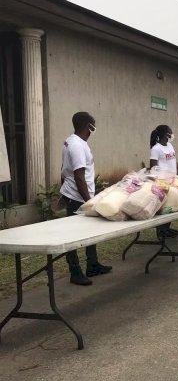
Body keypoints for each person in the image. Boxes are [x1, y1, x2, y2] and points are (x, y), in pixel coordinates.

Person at [60, 112, 112, 286]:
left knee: (91, 231)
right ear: (89, 126)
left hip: (77, 194)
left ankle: (93, 265)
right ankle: (75, 272)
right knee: (73, 236)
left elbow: (63, 170)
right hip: (77, 198)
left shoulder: (74, 142)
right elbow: (78, 176)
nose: (94, 128)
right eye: (94, 125)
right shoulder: (77, 145)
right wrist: (89, 201)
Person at [150, 125, 178, 238]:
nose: (172, 135)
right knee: (164, 207)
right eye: (171, 133)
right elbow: (153, 167)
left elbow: (173, 161)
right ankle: (161, 231)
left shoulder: (170, 145)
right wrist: (159, 180)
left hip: (173, 180)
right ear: (166, 134)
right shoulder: (156, 149)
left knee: (171, 205)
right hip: (163, 182)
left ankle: (167, 228)